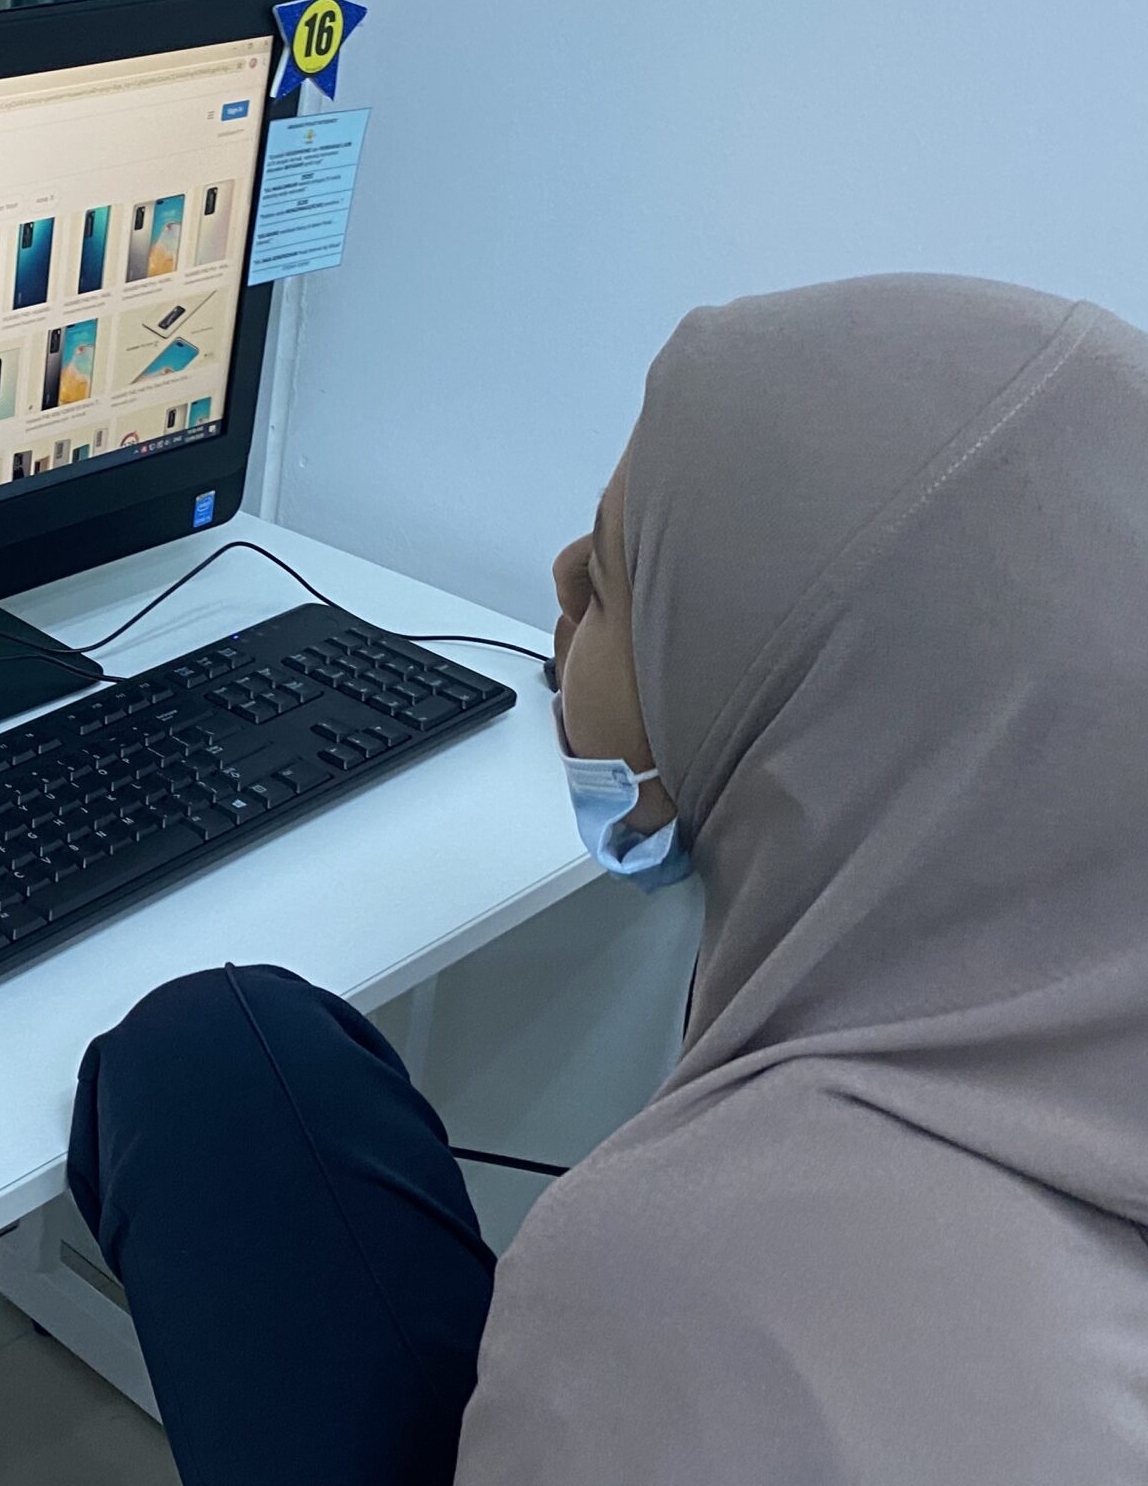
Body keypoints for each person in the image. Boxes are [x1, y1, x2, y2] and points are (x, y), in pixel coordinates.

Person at [67, 274, 1148, 1482]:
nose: (564, 578)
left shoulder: (698, 1281)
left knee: (202, 1068)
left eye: (615, 577)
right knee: (225, 1052)